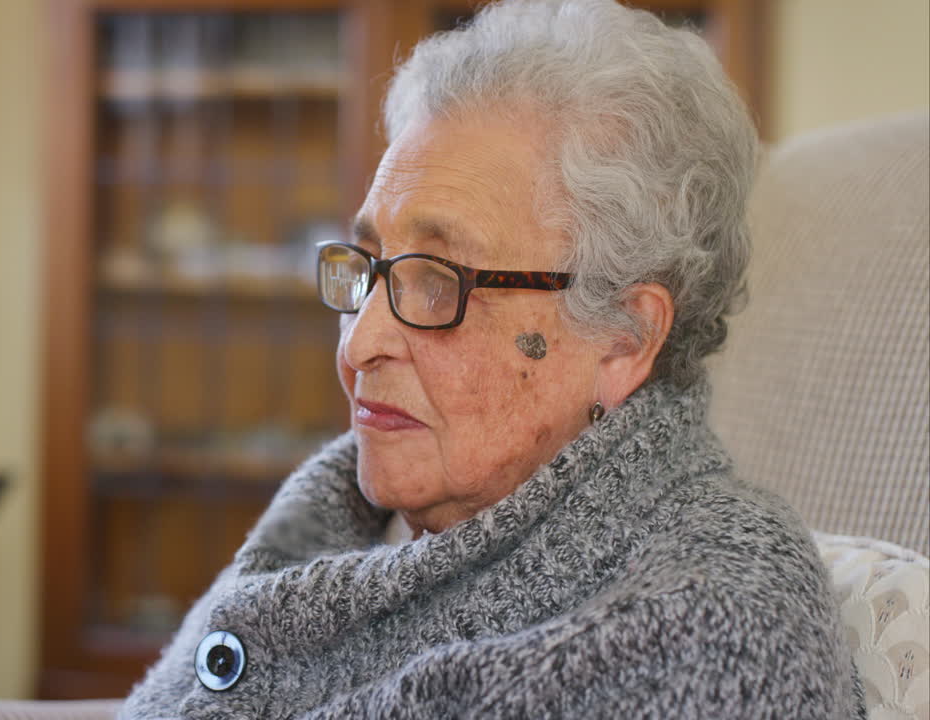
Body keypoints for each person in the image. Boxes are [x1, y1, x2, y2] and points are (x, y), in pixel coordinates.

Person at [122, 0, 861, 717]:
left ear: (623, 339)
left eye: (439, 281)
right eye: (370, 267)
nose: (358, 343)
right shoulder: (334, 503)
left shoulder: (711, 631)